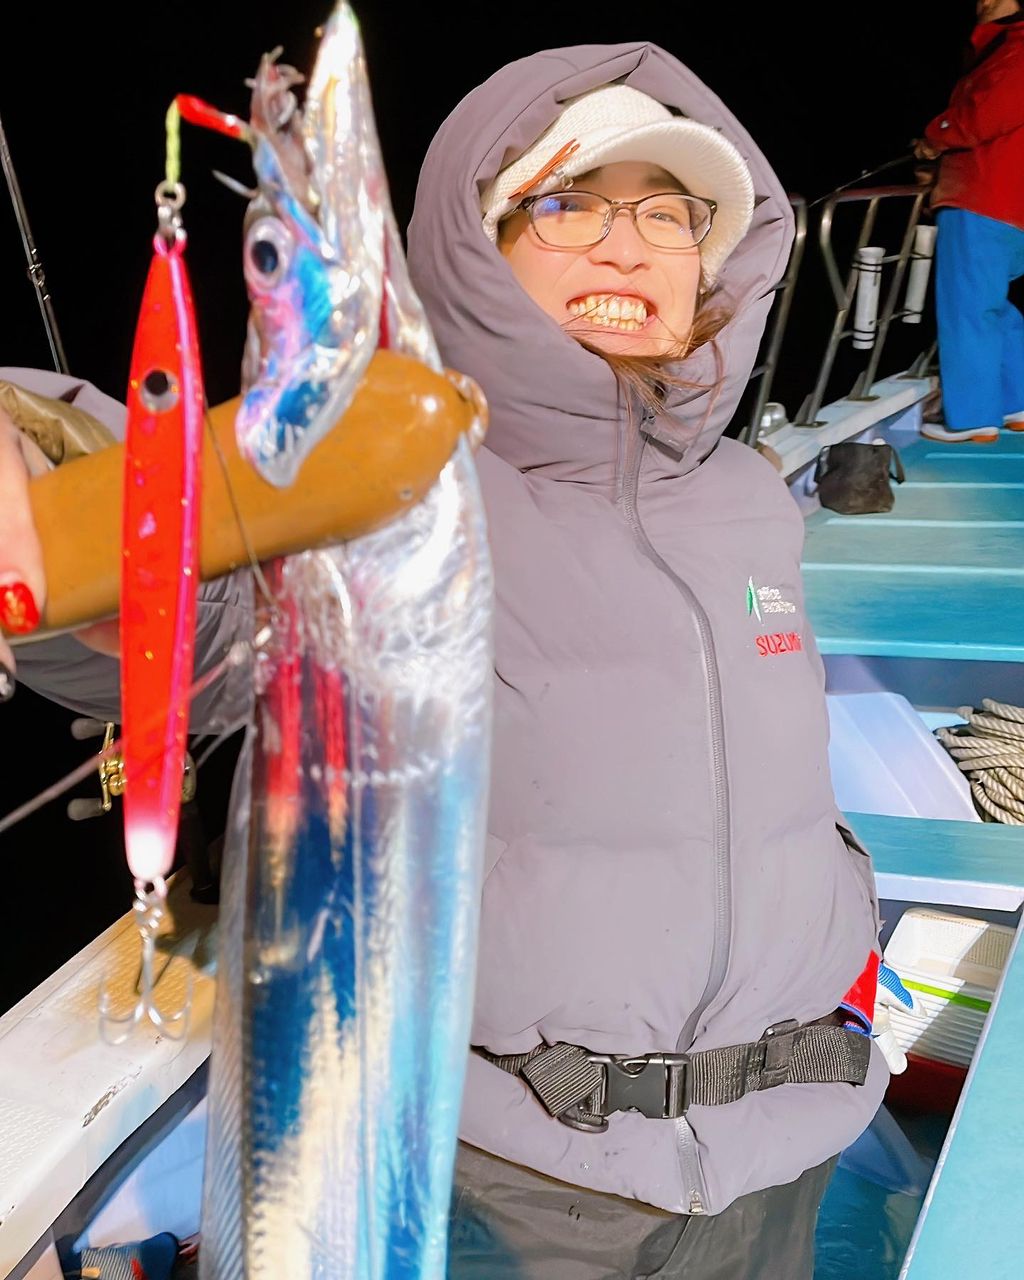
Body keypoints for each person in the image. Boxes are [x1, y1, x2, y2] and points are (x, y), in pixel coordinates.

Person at [1, 41, 891, 1280]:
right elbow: (188, 612)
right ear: (480, 248)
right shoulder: (399, 492)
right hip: (518, 1175)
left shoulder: (747, 494)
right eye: (569, 201)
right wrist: (38, 458)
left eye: (671, 212)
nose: (628, 247)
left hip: (783, 1139)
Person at [914, 0, 1024, 444]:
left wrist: (933, 137)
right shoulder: (999, 47)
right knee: (992, 305)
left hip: (983, 199)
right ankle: (1016, 401)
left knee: (968, 307)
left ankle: (972, 418)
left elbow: (984, 118)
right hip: (1006, 203)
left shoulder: (1017, 49)